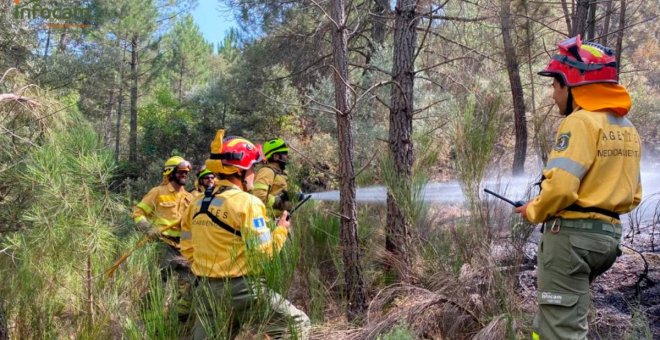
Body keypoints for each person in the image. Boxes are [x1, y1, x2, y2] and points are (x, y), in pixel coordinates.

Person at [514, 35, 642, 340]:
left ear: (572, 85)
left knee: (560, 330)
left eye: (555, 85)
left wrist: (534, 209)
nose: (553, 94)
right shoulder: (627, 128)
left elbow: (561, 189)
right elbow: (634, 194)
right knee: (563, 317)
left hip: (571, 241)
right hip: (606, 239)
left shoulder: (580, 122)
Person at [180, 130, 310, 339]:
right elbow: (264, 253)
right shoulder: (247, 203)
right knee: (297, 323)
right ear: (239, 171)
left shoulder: (195, 203)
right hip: (241, 290)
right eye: (251, 168)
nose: (253, 174)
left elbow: (187, 248)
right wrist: (281, 231)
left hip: (205, 289)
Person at [132, 156, 195, 320]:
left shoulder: (190, 198)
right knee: (158, 284)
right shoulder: (158, 192)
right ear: (170, 172)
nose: (185, 175)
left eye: (186, 173)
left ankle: (178, 321)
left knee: (188, 282)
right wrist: (148, 228)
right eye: (181, 172)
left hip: (183, 248)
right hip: (163, 244)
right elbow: (138, 213)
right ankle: (147, 318)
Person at [253, 138, 293, 216]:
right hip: (268, 221)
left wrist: (297, 194)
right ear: (275, 156)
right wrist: (279, 202)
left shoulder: (282, 174)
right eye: (284, 154)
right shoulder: (266, 171)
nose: (286, 157)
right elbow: (259, 195)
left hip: (281, 220)